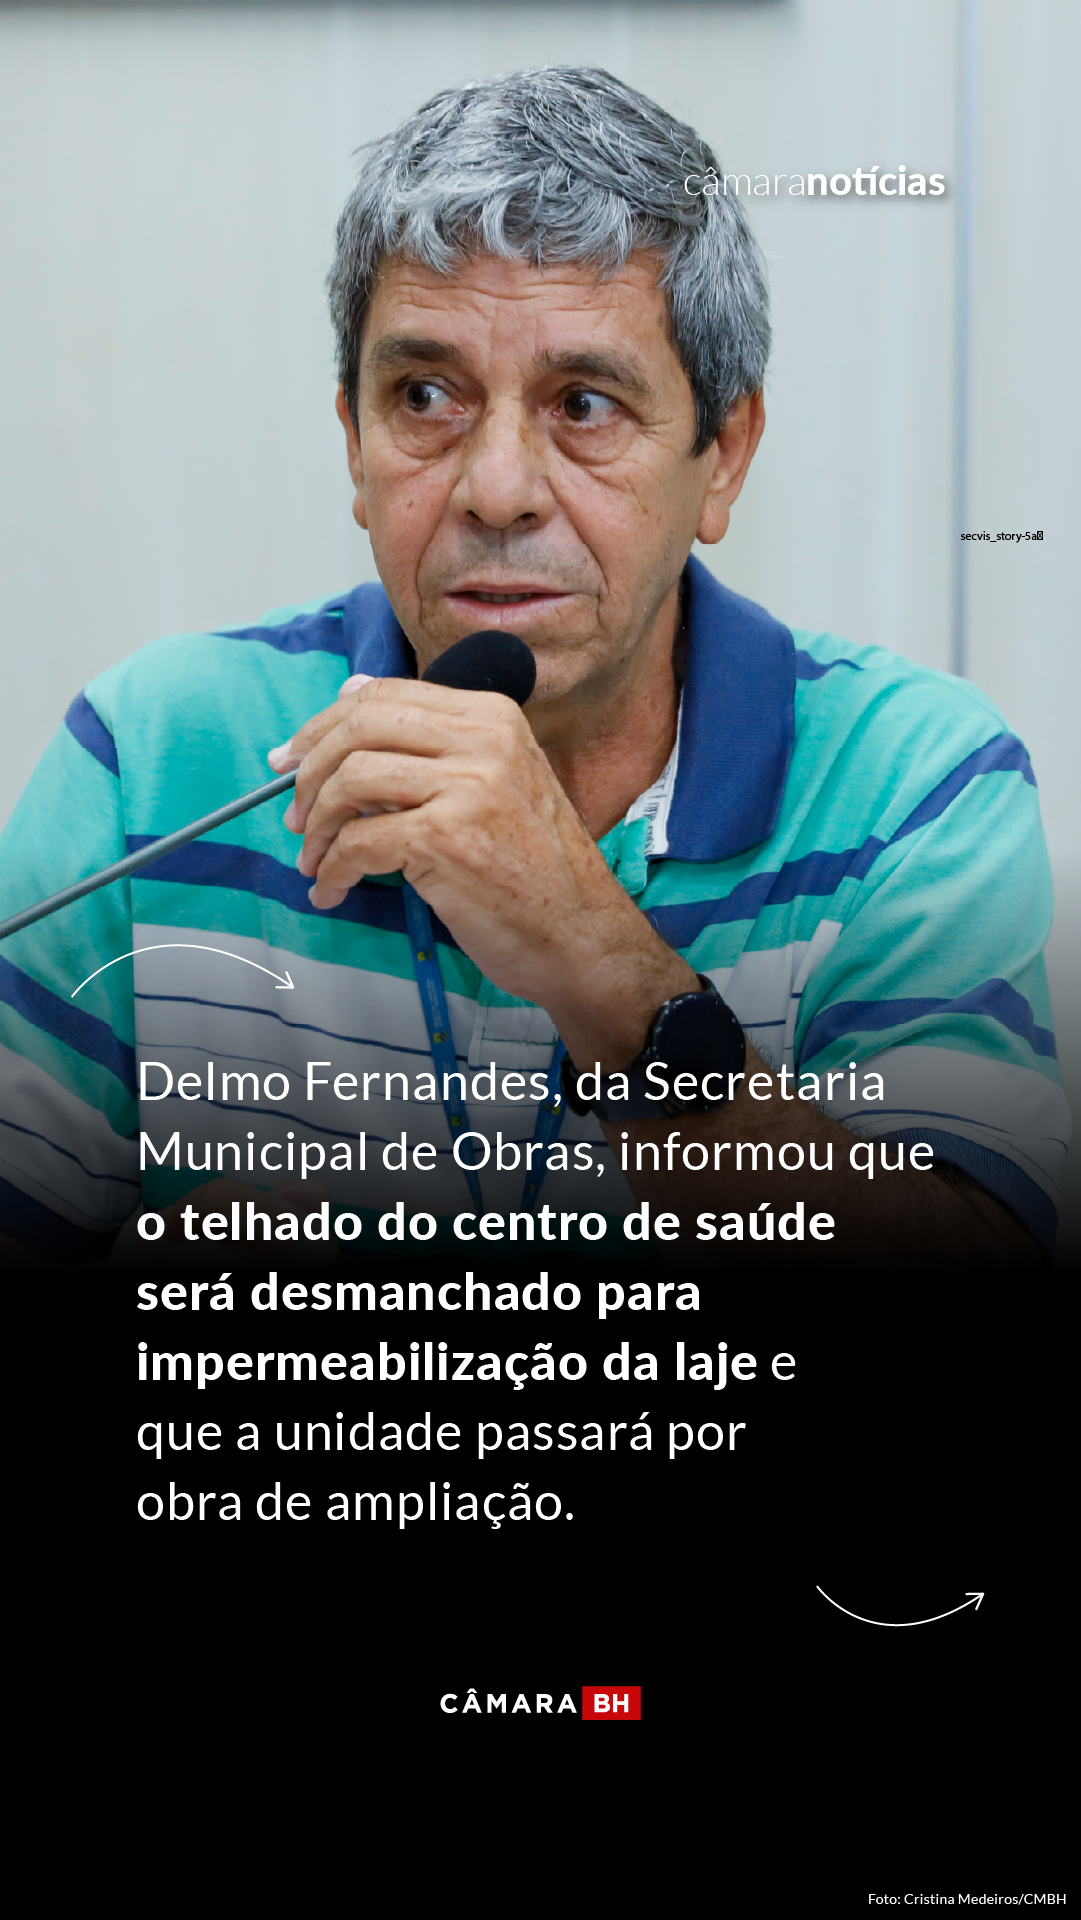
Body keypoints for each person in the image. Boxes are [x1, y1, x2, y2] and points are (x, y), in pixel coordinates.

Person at [0, 67, 1066, 1268]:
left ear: (722, 456)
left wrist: (587, 948)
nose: (497, 489)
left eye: (586, 404)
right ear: (354, 443)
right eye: (425, 396)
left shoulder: (915, 784)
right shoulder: (149, 759)